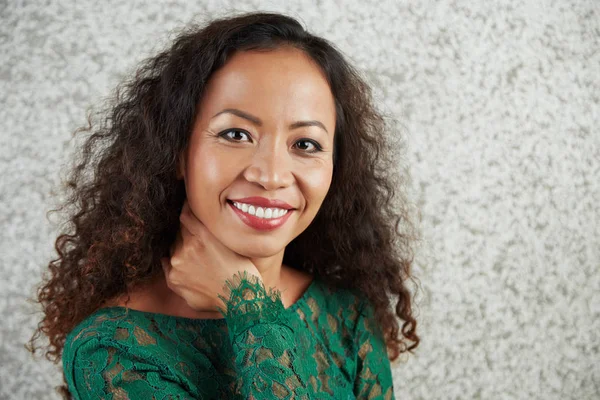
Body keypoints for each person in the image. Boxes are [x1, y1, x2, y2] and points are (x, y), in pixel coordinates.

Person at [28, 11, 421, 399]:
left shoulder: (346, 317)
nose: (270, 175)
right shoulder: (112, 350)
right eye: (236, 134)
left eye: (305, 145)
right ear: (179, 153)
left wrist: (245, 302)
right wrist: (250, 307)